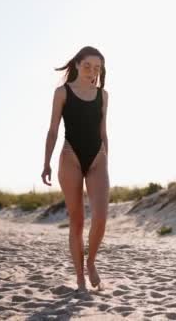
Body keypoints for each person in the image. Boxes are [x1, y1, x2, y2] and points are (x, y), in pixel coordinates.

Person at [41, 46, 110, 292]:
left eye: (97, 67)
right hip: (70, 156)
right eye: (88, 66)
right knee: (78, 221)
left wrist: (105, 159)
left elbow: (103, 132)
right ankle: (80, 277)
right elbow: (52, 130)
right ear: (78, 65)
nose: (92, 71)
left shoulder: (103, 96)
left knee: (101, 218)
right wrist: (46, 162)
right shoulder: (62, 93)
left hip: (97, 159)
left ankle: (91, 262)